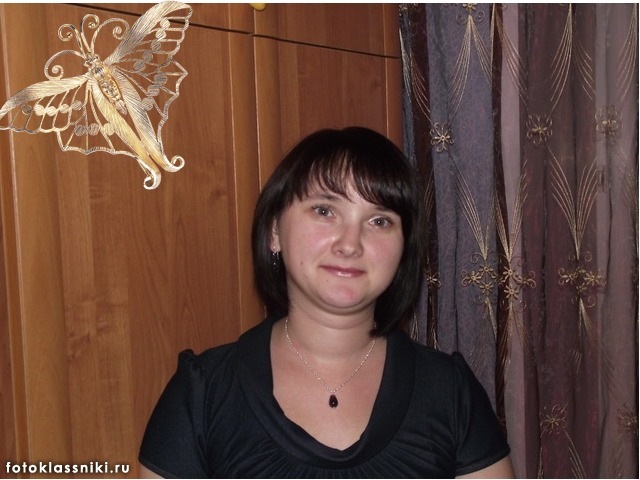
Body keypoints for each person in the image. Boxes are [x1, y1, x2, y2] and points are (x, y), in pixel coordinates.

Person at [138, 126, 514, 478]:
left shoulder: (451, 391)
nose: (350, 244)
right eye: (324, 211)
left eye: (379, 221)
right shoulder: (202, 393)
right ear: (274, 232)